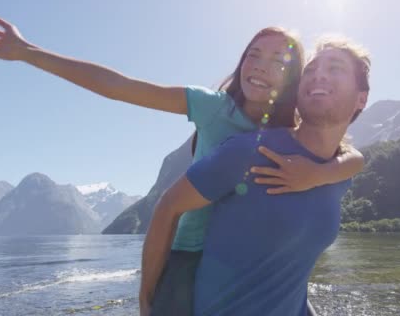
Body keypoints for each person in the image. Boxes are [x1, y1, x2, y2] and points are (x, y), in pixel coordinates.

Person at [0, 18, 365, 314]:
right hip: (187, 253)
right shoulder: (214, 108)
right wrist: (29, 53)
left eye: (279, 61)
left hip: (247, 264)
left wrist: (320, 173)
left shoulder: (290, 129)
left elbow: (351, 157)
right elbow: (119, 86)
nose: (261, 67)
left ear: (294, 81)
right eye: (253, 55)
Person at [139, 37, 371, 316]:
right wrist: (148, 298)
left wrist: (321, 173)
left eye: (335, 68)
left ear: (362, 97)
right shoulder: (251, 150)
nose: (319, 74)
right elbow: (169, 206)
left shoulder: (338, 173)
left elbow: (290, 270)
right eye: (310, 70)